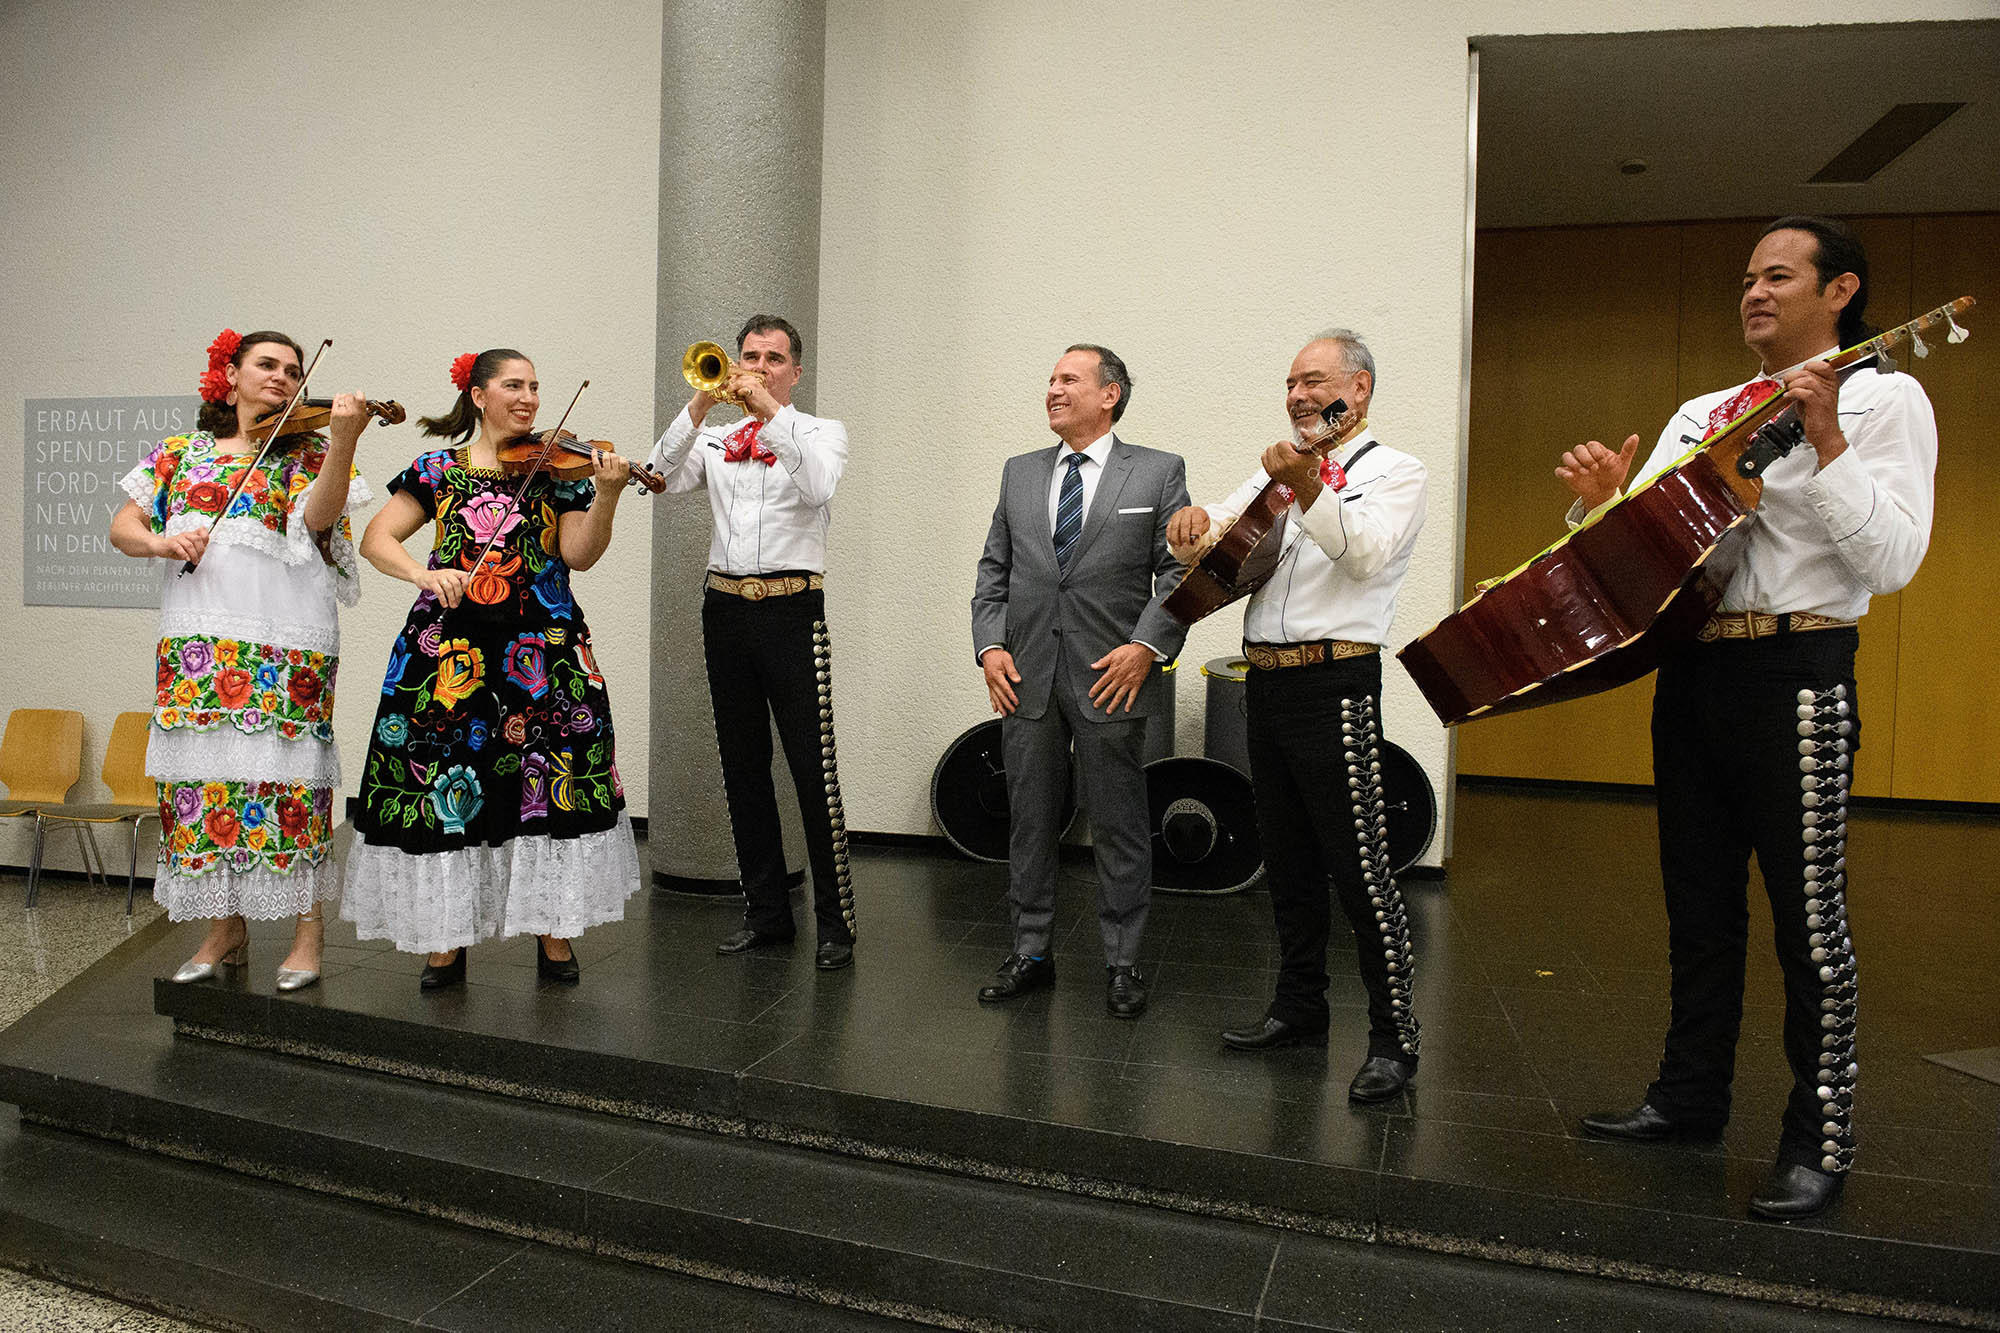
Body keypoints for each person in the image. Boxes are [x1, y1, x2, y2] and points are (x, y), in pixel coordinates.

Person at [1556, 216, 1938, 1219]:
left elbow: (1892, 560)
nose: (1753, 292)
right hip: (1694, 673)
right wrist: (1601, 506)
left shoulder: (1883, 395)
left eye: (1778, 275)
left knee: (1807, 922)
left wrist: (1822, 445)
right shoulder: (1703, 408)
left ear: (1839, 289)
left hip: (1799, 669)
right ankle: (1686, 1100)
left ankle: (1818, 1138)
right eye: (1745, 277)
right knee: (1697, 906)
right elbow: (1646, 557)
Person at [1166, 331, 1428, 1101]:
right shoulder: (1279, 466)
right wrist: (1191, 524)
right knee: (1285, 858)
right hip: (1267, 680)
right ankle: (1299, 1007)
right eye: (1289, 383)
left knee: (1360, 867)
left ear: (1361, 388)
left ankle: (1394, 1037)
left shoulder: (1396, 471)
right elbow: (1222, 522)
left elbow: (1364, 554)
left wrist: (1308, 485)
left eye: (1313, 381)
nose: (1297, 395)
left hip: (1336, 679)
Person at [341, 349, 642, 988]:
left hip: (544, 650)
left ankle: (553, 930)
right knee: (445, 777)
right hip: (450, 652)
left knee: (549, 779)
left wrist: (608, 495)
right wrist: (425, 572)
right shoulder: (438, 468)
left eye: (535, 386)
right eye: (514, 385)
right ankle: (446, 939)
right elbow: (376, 539)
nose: (529, 397)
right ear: (478, 396)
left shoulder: (558, 472)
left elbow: (579, 554)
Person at [110, 328, 371, 992]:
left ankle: (307, 931)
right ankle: (225, 927)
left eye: (292, 369)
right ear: (229, 375)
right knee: (205, 788)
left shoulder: (307, 450)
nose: (283, 376)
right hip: (198, 646)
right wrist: (161, 542)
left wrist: (341, 441)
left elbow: (321, 516)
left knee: (288, 786)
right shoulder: (179, 453)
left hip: (288, 644)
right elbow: (123, 526)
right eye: (267, 364)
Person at [970, 344, 1190, 1017]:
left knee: (1120, 824)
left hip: (1111, 678)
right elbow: (993, 572)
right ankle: (1030, 951)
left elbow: (1179, 573)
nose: (1053, 389)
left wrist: (1148, 647)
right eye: (1050, 379)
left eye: (1069, 379)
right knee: (1029, 822)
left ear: (1110, 394)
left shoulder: (1156, 472)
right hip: (1026, 676)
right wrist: (989, 649)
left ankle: (1123, 962)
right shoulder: (1019, 473)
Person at [647, 316, 857, 970]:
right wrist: (701, 401)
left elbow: (819, 485)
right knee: (742, 766)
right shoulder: (714, 439)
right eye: (749, 356)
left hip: (794, 609)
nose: (759, 366)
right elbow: (656, 474)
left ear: (795, 370)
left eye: (774, 358)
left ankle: (835, 925)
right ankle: (765, 914)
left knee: (811, 769)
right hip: (726, 609)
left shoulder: (822, 432)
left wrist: (771, 414)